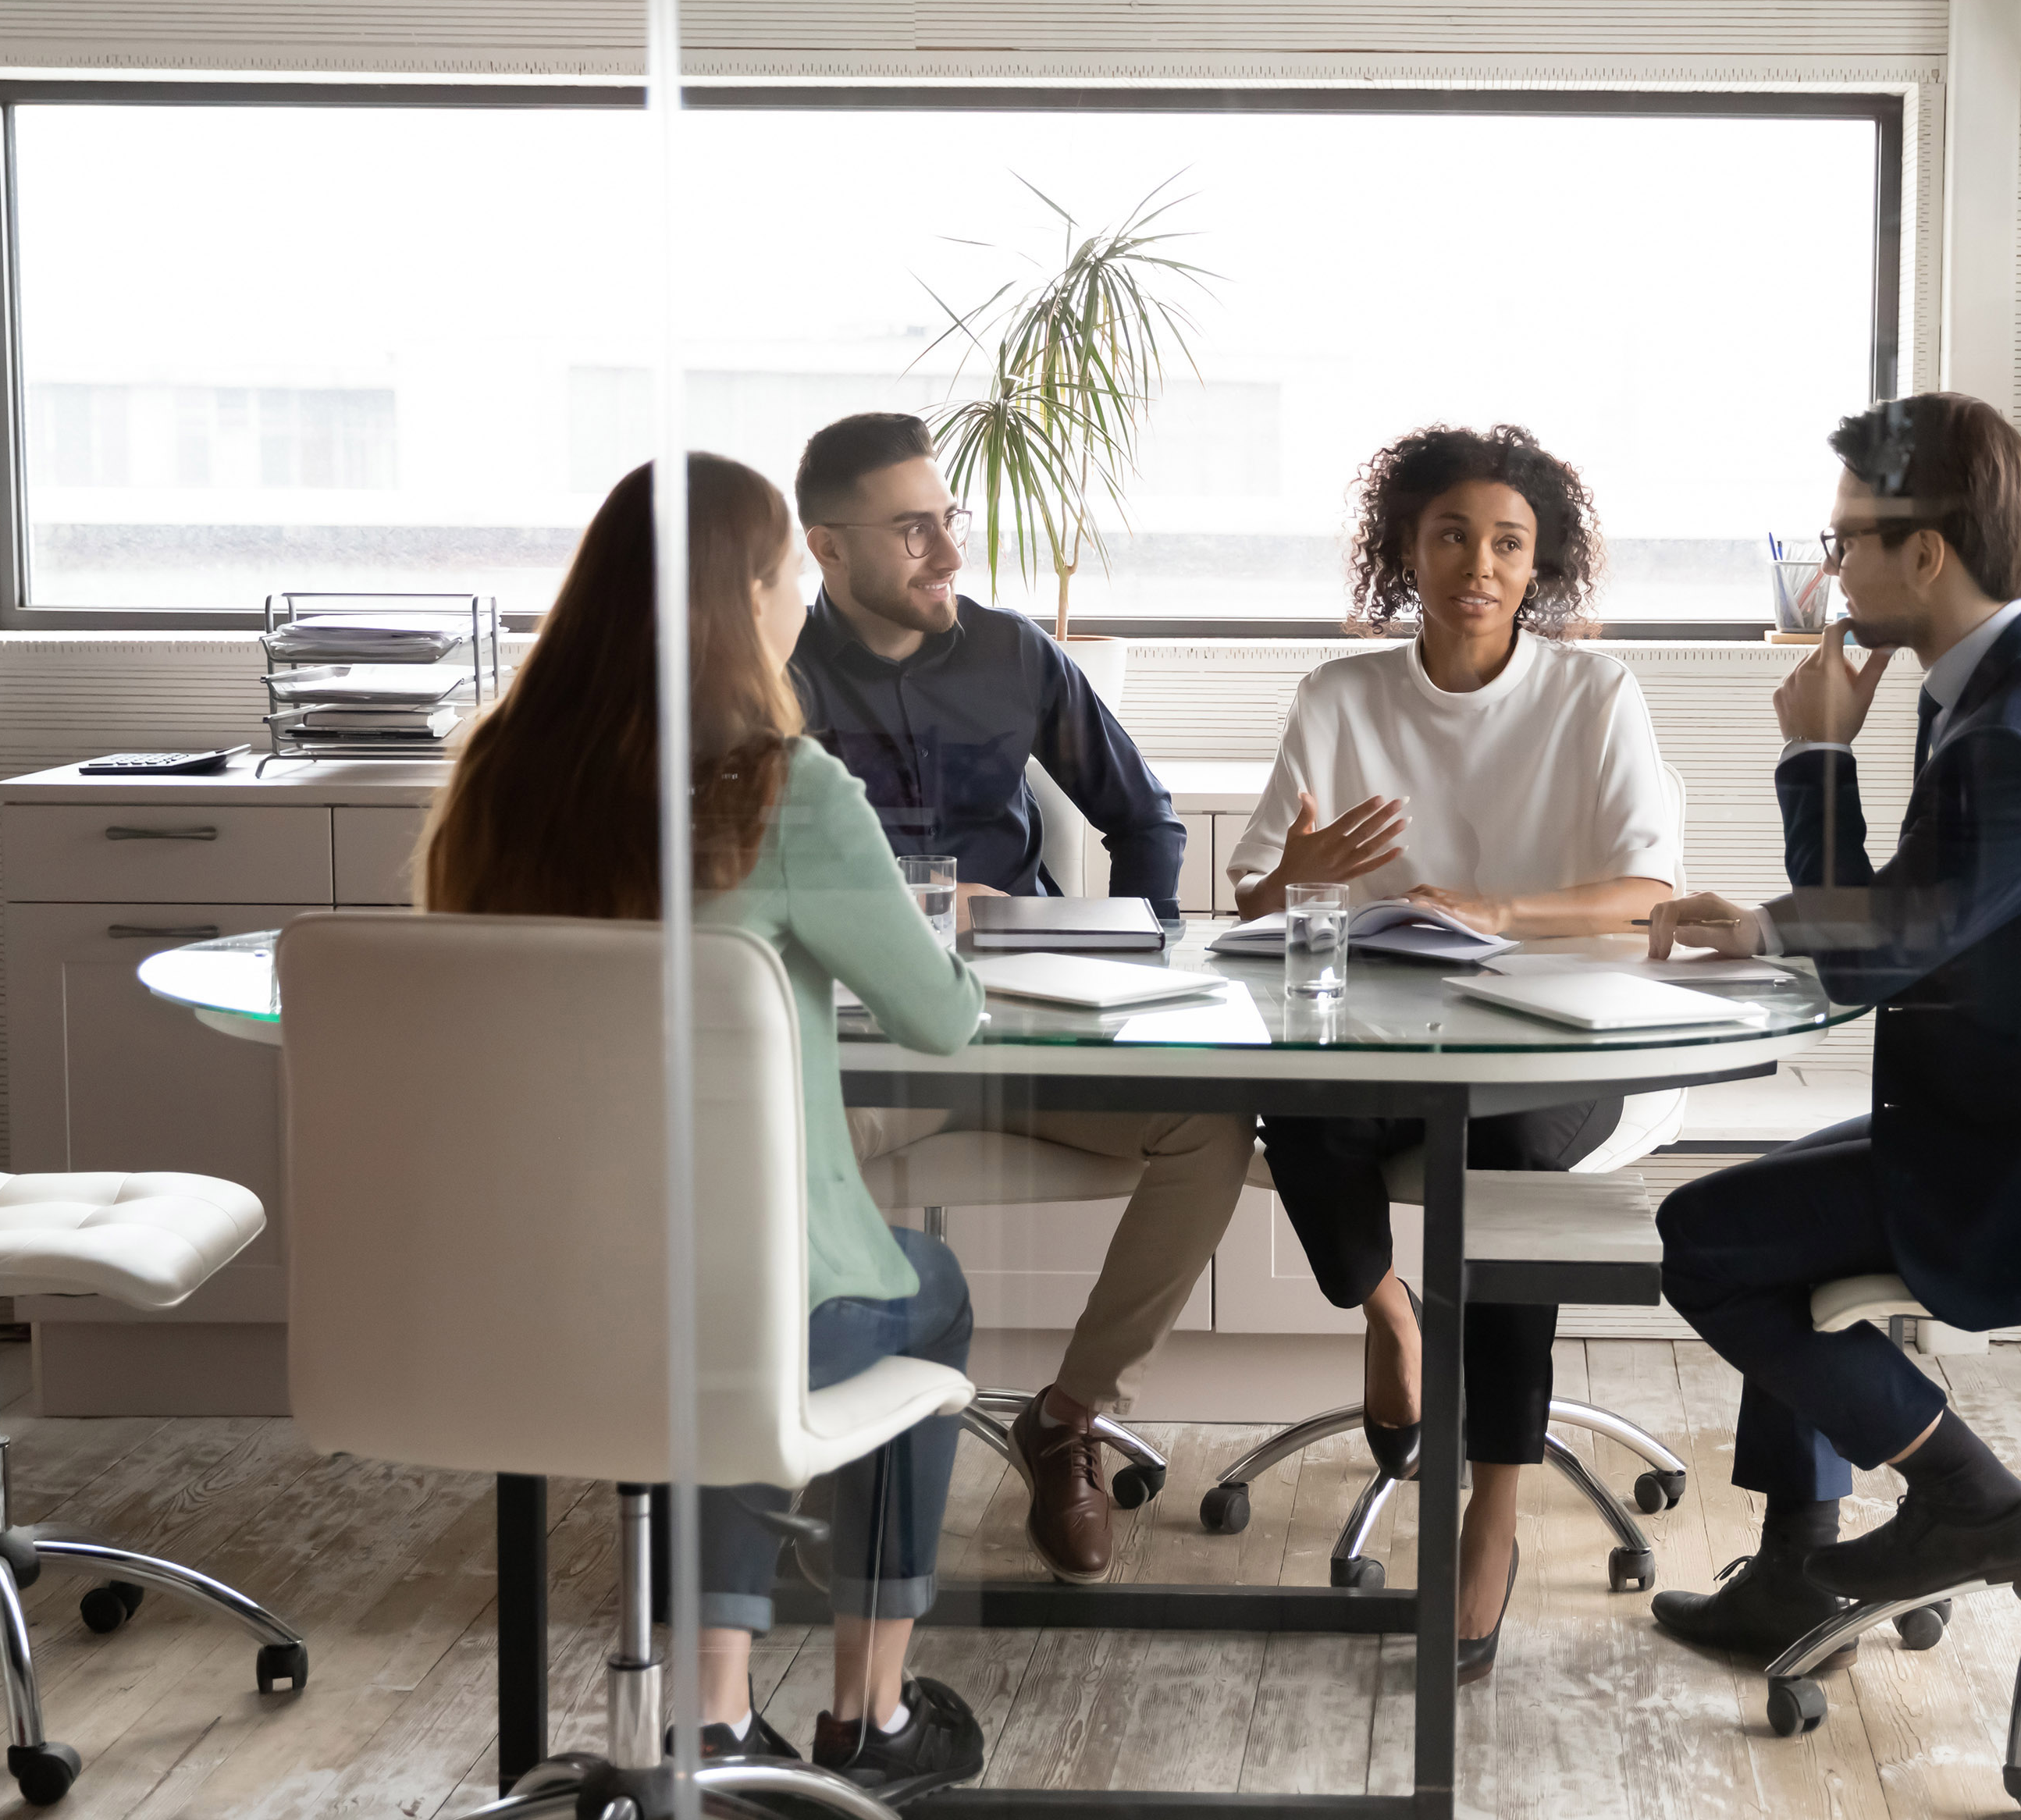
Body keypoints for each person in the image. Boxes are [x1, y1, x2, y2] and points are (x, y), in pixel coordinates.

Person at [421, 453, 987, 1800]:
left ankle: (715, 1714)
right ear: (742, 595)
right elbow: (944, 1022)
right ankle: (869, 1709)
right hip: (730, 1309)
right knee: (897, 1293)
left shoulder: (496, 775)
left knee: (713, 1306)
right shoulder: (784, 789)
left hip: (530, 1299)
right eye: (789, 567)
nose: (802, 593)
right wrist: (933, 934)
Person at [1642, 394, 2021, 1669]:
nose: (1828, 573)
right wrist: (1775, 926)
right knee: (1766, 1207)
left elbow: (1869, 969)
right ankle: (1794, 1571)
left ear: (1925, 553)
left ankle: (1977, 1500)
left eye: (1844, 543)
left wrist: (1819, 756)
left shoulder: (2014, 738)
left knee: (1707, 1243)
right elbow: (1914, 914)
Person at [1226, 425, 1679, 1685]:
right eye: (1451, 536)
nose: (1478, 562)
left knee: (1505, 1157)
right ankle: (1388, 1311)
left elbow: (1650, 891)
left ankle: (1493, 1506)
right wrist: (1296, 880)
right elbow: (1255, 899)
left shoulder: (1595, 697)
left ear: (1541, 565)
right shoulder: (1341, 697)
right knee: (1292, 1100)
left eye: (1508, 542)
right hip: (1383, 1035)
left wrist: (1499, 913)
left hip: (1556, 1049)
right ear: (1405, 549)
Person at [789, 411, 1255, 1586]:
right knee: (788, 1158)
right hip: (867, 1050)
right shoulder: (773, 684)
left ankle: (1071, 1418)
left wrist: (1135, 959)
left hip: (1028, 1024)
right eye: (914, 531)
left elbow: (1143, 821)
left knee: (1209, 1123)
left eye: (948, 522)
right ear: (828, 550)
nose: (950, 553)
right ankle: (834, 1446)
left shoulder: (1015, 658)